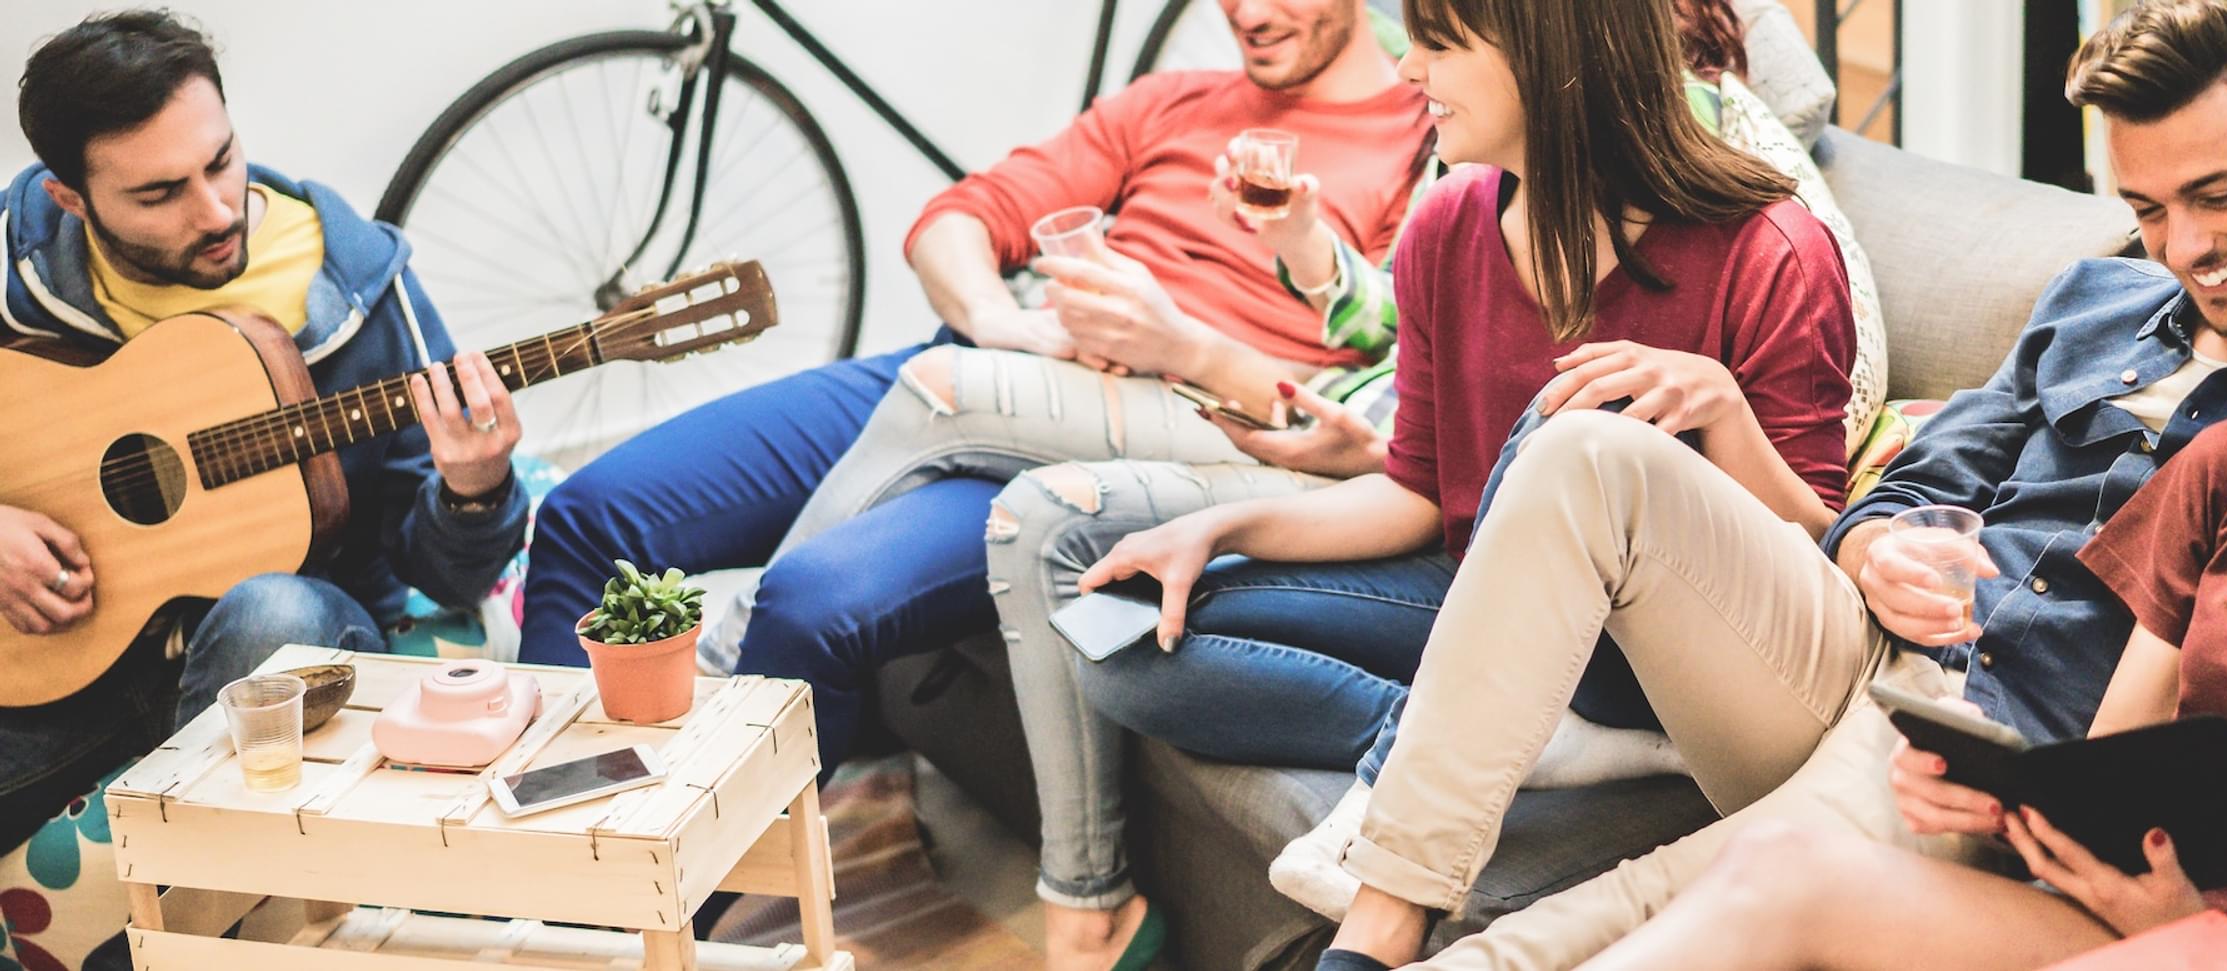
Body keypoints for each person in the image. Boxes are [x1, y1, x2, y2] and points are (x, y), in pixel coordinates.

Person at [1294, 1, 2227, 967]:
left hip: (1996, 757)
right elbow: (1916, 482)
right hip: (1862, 653)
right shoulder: (2094, 300)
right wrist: (1872, 547)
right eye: (2149, 208)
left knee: (1633, 905)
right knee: (1584, 450)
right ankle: (1386, 905)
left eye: (2217, 196)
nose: (2189, 247)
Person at [986, 1, 1879, 965]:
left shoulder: (1771, 247)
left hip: (1659, 655)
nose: (1406, 70)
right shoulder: (1449, 223)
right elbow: (1416, 489)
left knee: (1563, 426)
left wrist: (1723, 412)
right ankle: (1513, 740)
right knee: (1120, 638)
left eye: (1439, 45)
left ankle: (1478, 752)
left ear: (1550, 57)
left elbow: (1817, 557)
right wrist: (1222, 528)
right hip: (1480, 598)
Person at [514, 0, 1433, 780]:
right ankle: (540, 837)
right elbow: (959, 217)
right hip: (972, 368)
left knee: (803, 608)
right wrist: (1003, 321)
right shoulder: (1174, 100)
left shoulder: (1421, 140)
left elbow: (1376, 409)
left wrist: (1182, 346)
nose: (1250, 12)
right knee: (589, 513)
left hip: (1129, 431)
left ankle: (661, 890)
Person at [1584, 130, 2227, 970]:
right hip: (2115, 910)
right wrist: (1999, 803)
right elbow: (2106, 778)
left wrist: (2180, 923)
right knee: (1775, 869)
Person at [0, 10, 526, 859]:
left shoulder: (353, 289)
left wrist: (476, 490)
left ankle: (187, 893)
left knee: (266, 611)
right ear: (70, 196)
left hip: (287, 634)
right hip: (58, 654)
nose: (215, 210)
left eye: (220, 161)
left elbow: (443, 571)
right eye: (159, 193)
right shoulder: (12, 265)